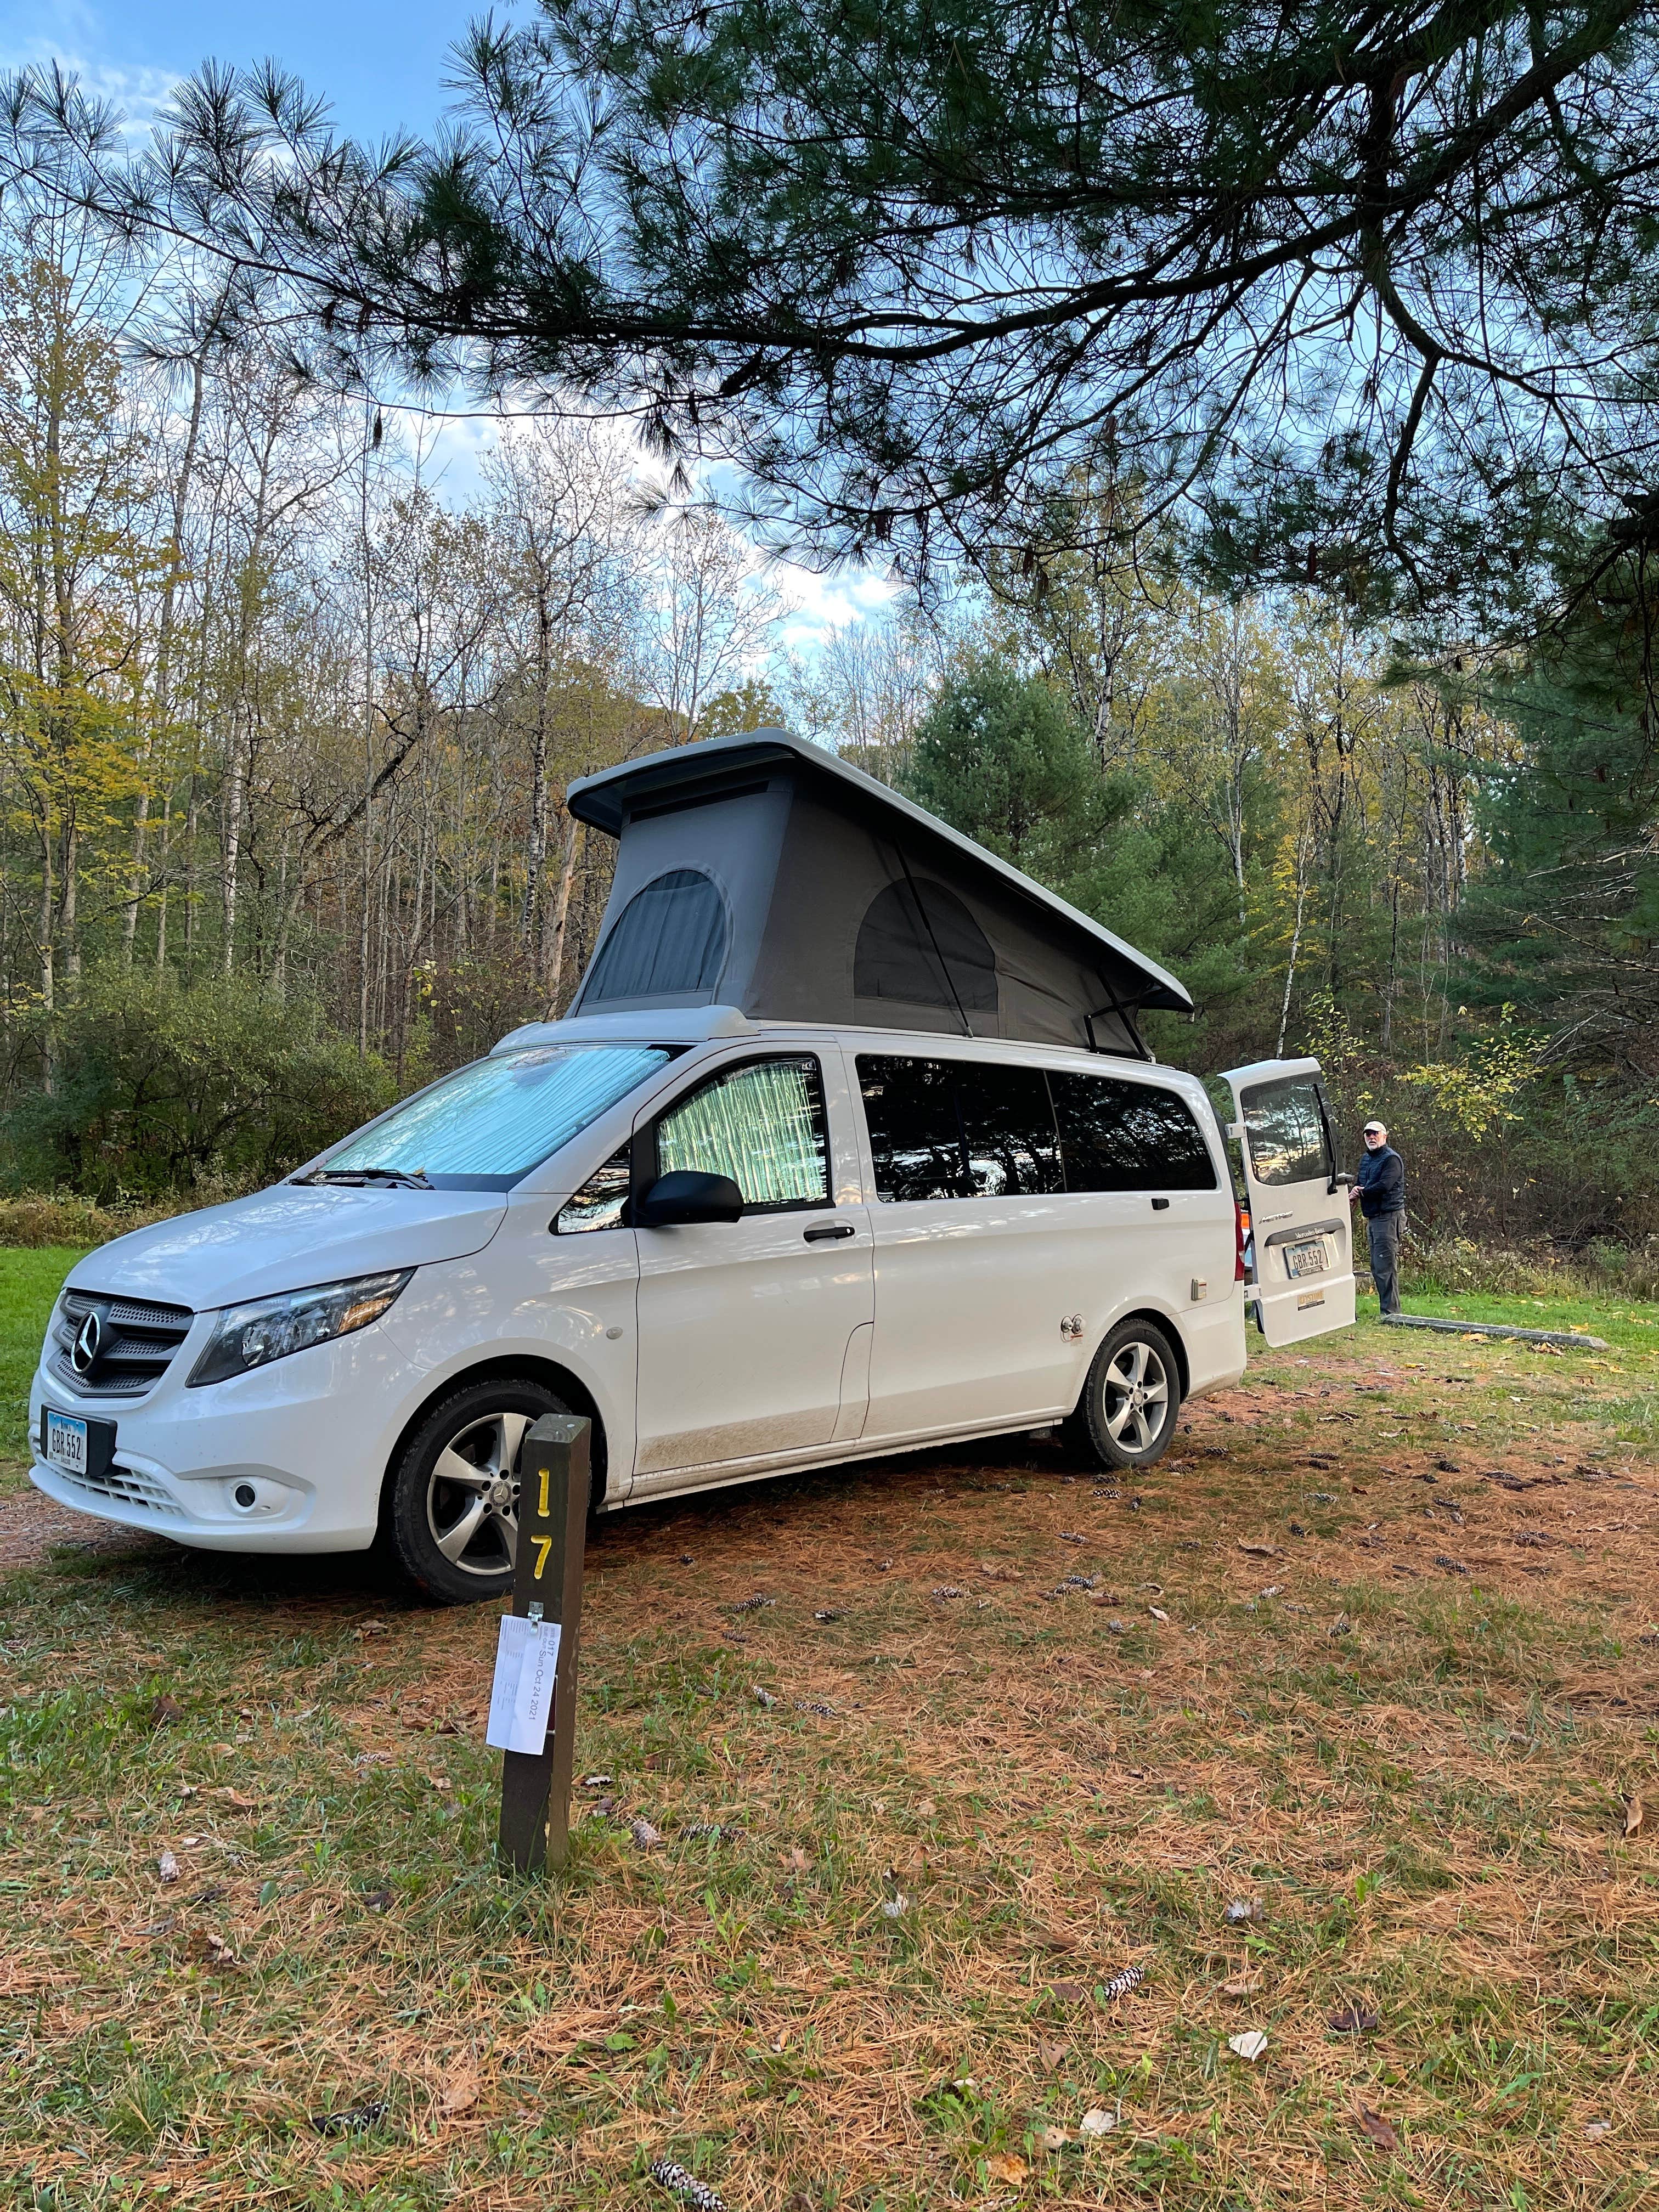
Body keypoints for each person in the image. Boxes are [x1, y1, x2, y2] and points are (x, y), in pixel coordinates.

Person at [1349, 1119, 1406, 1317]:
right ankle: (1388, 1311)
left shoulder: (1392, 1159)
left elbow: (1384, 1186)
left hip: (1389, 1217)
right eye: (1368, 1134)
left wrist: (1361, 1193)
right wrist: (1354, 1192)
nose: (1371, 1137)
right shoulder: (1366, 1159)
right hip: (1373, 1218)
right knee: (1377, 1266)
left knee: (1385, 1266)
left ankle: (1391, 1313)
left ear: (1385, 1136)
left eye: (1375, 1133)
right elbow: (1361, 1182)